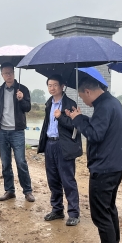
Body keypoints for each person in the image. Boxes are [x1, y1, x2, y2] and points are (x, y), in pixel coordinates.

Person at [66, 76, 122, 243]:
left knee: (100, 213)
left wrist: (78, 119)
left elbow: (95, 134)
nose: (83, 101)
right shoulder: (112, 102)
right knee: (109, 208)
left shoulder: (104, 107)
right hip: (114, 165)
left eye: (82, 97)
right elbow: (99, 128)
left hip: (104, 167)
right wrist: (81, 118)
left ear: (88, 92)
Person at [37, 75, 83, 226]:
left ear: (62, 86)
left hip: (64, 146)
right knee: (53, 179)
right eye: (49, 85)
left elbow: (76, 127)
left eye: (55, 85)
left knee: (68, 180)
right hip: (50, 144)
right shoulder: (49, 103)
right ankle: (57, 210)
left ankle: (74, 213)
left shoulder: (70, 104)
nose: (52, 88)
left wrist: (61, 117)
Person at [0, 63, 34, 202]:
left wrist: (21, 99)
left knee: (21, 162)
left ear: (14, 73)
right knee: (5, 163)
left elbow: (27, 108)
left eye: (10, 72)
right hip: (2, 132)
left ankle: (27, 191)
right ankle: (9, 191)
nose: (8, 75)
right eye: (6, 73)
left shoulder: (22, 89)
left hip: (17, 132)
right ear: (2, 75)